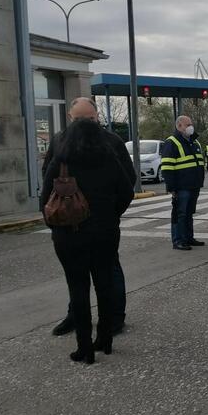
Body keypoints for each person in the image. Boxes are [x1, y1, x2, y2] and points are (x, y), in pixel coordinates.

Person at [41, 119, 134, 364]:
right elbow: (127, 192)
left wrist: (56, 226)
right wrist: (112, 215)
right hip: (105, 233)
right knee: (104, 285)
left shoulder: (61, 162)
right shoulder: (109, 160)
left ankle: (84, 347)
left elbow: (45, 200)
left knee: (78, 288)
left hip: (69, 235)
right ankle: (105, 338)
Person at [161, 115, 206, 251]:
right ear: (179, 126)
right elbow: (167, 167)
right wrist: (172, 187)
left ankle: (188, 238)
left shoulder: (195, 142)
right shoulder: (172, 142)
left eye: (191, 124)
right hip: (181, 187)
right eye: (188, 125)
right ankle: (178, 240)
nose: (191, 127)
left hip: (194, 185)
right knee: (180, 214)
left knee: (189, 213)